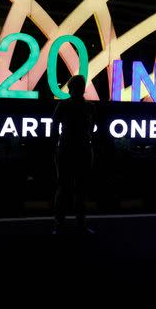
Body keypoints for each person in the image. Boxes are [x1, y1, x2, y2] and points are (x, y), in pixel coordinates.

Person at [51, 75, 95, 234]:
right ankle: (79, 224)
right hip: (80, 149)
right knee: (78, 188)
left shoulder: (64, 105)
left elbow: (54, 127)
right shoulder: (89, 107)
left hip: (68, 148)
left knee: (64, 187)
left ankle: (60, 224)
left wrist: (55, 146)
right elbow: (92, 127)